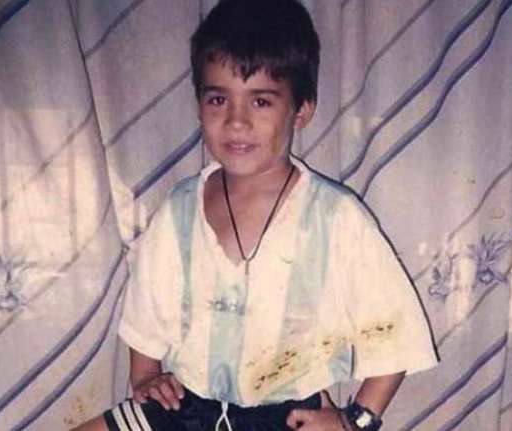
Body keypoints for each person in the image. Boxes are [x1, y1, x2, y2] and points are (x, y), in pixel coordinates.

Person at [74, 0, 438, 429]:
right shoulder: (179, 211)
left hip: (289, 416)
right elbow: (146, 313)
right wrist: (146, 376)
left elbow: (394, 330)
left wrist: (353, 420)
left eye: (261, 102)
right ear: (199, 105)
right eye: (218, 99)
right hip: (187, 408)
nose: (236, 121)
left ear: (301, 111)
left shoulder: (336, 218)